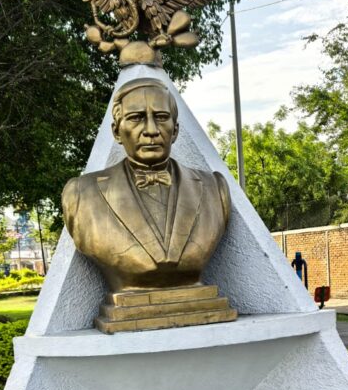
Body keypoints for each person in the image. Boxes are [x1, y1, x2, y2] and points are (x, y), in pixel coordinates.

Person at [62, 78, 230, 294]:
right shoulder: (81, 194)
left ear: (175, 130)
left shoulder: (215, 188)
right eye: (136, 118)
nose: (151, 130)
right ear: (116, 132)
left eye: (161, 117)